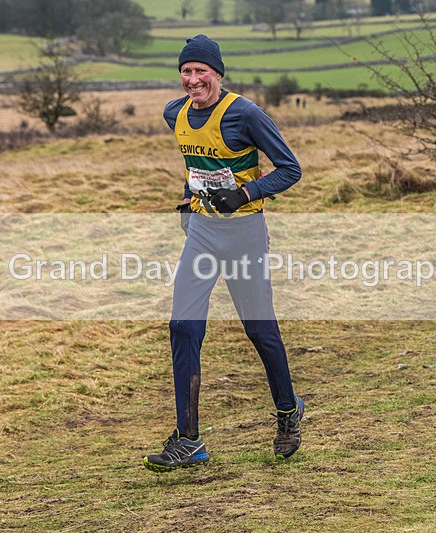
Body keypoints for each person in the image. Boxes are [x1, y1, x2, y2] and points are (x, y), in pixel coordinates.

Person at [143, 35, 304, 472]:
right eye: (186, 71)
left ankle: (288, 412)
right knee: (182, 326)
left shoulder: (244, 114)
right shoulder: (174, 113)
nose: (193, 80)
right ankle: (189, 439)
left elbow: (291, 168)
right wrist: (187, 199)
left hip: (244, 235)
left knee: (259, 330)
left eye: (201, 71)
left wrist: (245, 193)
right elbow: (196, 164)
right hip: (202, 234)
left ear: (217, 73)